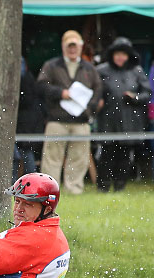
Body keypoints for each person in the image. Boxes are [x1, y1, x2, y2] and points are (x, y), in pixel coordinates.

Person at [36, 30, 102, 195]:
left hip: (81, 121)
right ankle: (49, 192)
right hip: (56, 120)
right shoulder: (51, 65)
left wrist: (90, 108)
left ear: (80, 47)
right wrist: (60, 93)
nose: (72, 49)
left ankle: (74, 189)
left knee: (79, 157)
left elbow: (98, 89)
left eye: (75, 46)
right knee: (52, 157)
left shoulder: (89, 68)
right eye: (69, 46)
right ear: (63, 47)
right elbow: (41, 86)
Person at [95, 37, 151, 192]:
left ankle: (120, 186)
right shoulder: (102, 70)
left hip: (130, 121)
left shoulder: (136, 71)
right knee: (106, 155)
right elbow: (94, 92)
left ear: (129, 56)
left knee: (125, 156)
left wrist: (135, 97)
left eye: (124, 54)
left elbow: (147, 93)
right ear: (112, 54)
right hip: (108, 120)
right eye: (118, 54)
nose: (120, 58)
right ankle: (103, 187)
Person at [14, 57, 44, 180]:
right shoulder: (28, 76)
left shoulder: (23, 78)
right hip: (29, 119)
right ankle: (30, 178)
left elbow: (25, 100)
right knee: (24, 150)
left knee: (25, 150)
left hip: (25, 120)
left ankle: (32, 179)